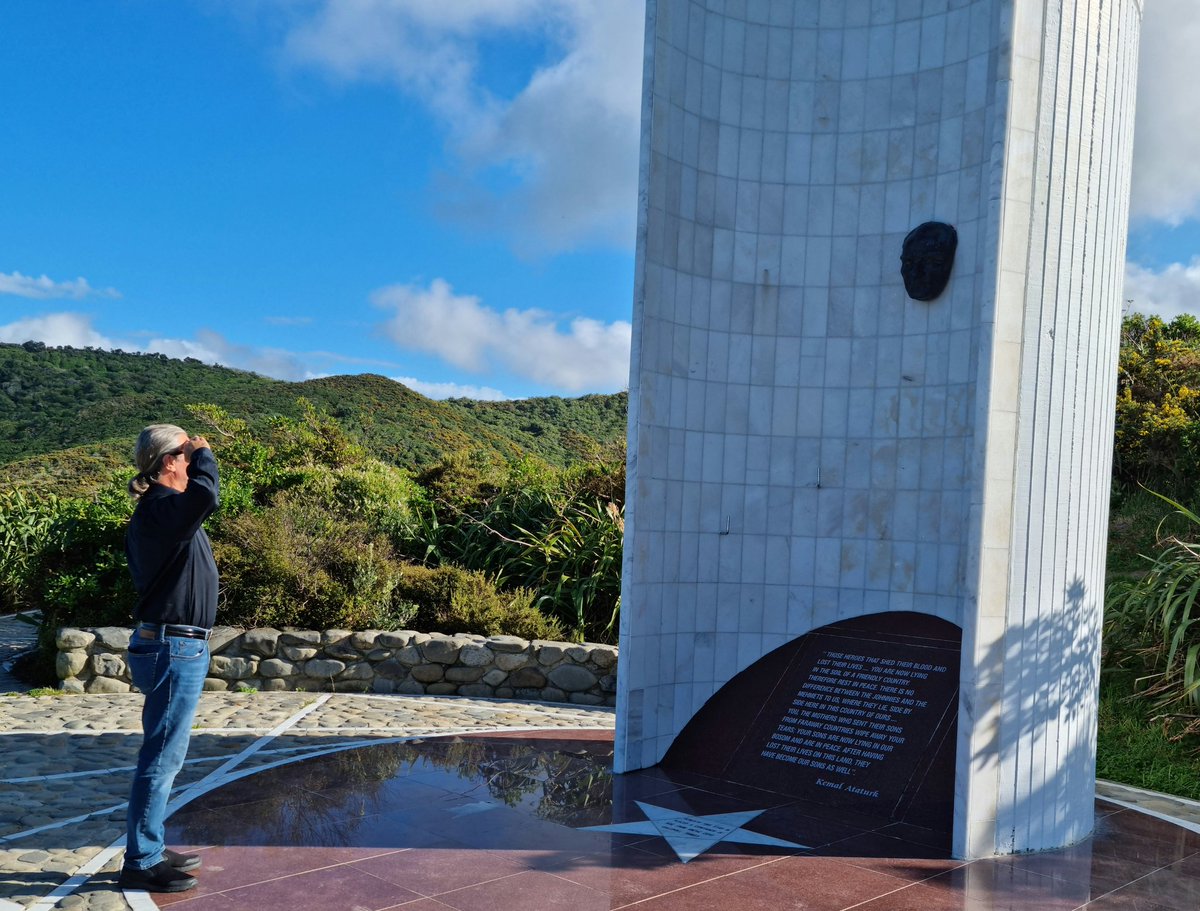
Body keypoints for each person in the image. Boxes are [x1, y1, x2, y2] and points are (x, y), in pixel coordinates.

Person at [117, 424, 219, 893]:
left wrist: (196, 459)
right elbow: (205, 496)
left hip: (177, 643)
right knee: (161, 756)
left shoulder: (164, 511)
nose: (191, 455)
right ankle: (141, 860)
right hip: (172, 646)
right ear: (167, 464)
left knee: (165, 755)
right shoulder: (160, 508)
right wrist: (208, 456)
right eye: (184, 451)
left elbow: (198, 504)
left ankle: (150, 846)